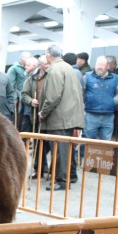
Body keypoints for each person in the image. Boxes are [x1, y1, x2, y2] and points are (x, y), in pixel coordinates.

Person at [38, 45, 85, 190]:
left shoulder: (55, 70)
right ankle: (71, 175)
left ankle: (62, 180)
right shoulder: (68, 68)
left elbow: (53, 96)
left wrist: (43, 112)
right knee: (66, 149)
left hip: (59, 118)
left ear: (48, 55)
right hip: (69, 115)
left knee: (60, 151)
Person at [82, 56, 118, 141]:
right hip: (90, 115)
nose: (99, 67)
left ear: (107, 66)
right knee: (87, 142)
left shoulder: (115, 78)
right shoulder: (87, 76)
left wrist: (113, 102)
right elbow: (80, 91)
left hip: (108, 116)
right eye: (98, 64)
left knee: (105, 145)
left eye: (102, 65)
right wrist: (84, 103)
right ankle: (84, 155)